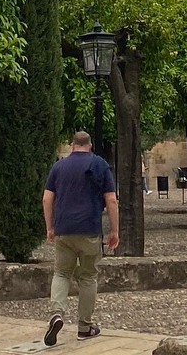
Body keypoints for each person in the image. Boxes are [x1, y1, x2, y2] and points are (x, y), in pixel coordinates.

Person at [42, 131, 119, 345]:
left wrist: (50, 227)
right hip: (89, 228)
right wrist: (114, 231)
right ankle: (85, 327)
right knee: (87, 277)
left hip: (64, 229)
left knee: (61, 273)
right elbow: (111, 200)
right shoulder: (100, 164)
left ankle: (56, 313)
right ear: (90, 145)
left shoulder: (59, 166)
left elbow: (47, 199)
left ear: (72, 145)